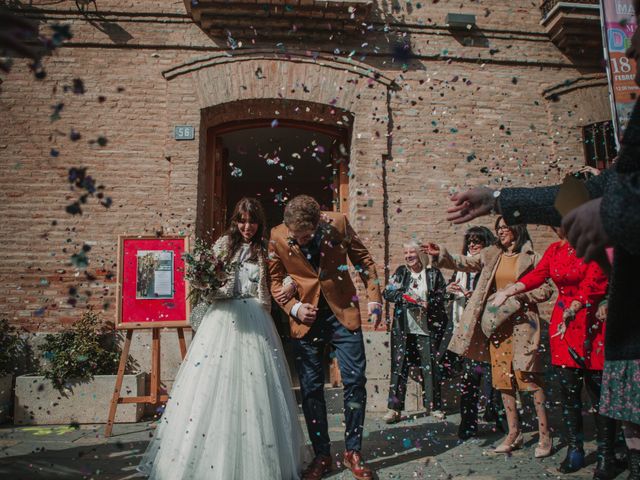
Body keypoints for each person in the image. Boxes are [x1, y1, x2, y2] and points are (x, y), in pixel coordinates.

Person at [138, 198, 303, 480]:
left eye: (252, 221)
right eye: (242, 221)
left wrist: (289, 284)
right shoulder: (223, 245)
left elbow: (288, 274)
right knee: (213, 386)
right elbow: (202, 281)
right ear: (235, 221)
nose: (247, 227)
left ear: (259, 223)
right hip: (222, 319)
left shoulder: (267, 249)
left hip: (255, 317)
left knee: (255, 389)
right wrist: (203, 279)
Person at [268, 195, 382, 480]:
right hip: (306, 320)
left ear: (318, 223)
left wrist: (375, 299)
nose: (300, 240)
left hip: (342, 312)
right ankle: (322, 454)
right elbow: (273, 279)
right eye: (296, 236)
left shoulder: (339, 223)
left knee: (355, 380)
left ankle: (353, 451)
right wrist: (293, 307)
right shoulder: (277, 235)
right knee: (310, 389)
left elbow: (364, 261)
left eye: (306, 236)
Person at [422, 218, 554, 457]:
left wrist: (517, 298)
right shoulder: (492, 254)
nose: (501, 232)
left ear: (517, 229)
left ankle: (545, 436)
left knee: (530, 379)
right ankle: (513, 434)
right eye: (499, 228)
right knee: (503, 381)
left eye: (505, 228)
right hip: (497, 328)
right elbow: (464, 262)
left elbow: (545, 289)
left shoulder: (533, 257)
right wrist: (441, 253)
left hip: (524, 325)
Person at [493, 227, 616, 479]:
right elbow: (538, 274)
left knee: (598, 393)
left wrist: (576, 304)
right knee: (569, 392)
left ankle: (606, 455)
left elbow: (595, 281)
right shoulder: (554, 250)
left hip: (592, 322)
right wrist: (509, 290)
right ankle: (575, 449)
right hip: (563, 325)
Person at [445, 226, 503, 440]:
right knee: (469, 380)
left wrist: (478, 298)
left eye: (477, 241)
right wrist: (449, 290)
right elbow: (448, 289)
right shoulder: (461, 268)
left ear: (486, 243)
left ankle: (497, 417)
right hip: (466, 331)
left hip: (489, 331)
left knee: (495, 379)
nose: (472, 245)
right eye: (469, 241)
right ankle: (468, 424)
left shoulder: (493, 265)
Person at [382, 240, 449, 424]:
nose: (408, 256)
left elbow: (441, 295)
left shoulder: (433, 273)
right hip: (403, 328)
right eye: (406, 253)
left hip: (427, 329)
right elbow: (387, 293)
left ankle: (434, 406)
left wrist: (430, 303)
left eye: (412, 252)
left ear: (420, 254)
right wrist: (406, 298)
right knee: (399, 367)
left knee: (431, 367)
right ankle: (394, 409)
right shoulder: (401, 273)